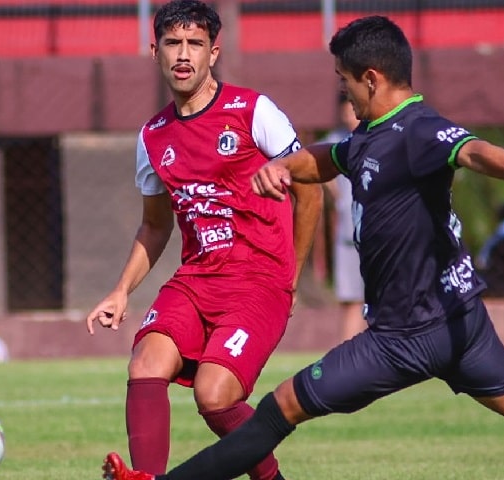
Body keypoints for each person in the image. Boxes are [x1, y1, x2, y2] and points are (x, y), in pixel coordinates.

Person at [100, 15, 504, 480]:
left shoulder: (418, 131)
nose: (343, 93)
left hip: (402, 338)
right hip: (463, 325)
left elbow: (472, 150)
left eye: (344, 82)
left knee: (276, 410)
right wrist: (284, 166)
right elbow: (328, 158)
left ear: (371, 78)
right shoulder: (369, 135)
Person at [85, 1, 322, 480]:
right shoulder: (153, 137)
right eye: (172, 43)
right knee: (145, 363)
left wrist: (291, 275)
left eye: (195, 44)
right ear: (155, 51)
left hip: (259, 281)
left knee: (214, 395)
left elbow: (311, 190)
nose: (183, 54)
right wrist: (121, 290)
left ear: (213, 52)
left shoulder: (253, 111)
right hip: (196, 280)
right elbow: (155, 226)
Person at [321, 93, 366, 341]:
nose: (349, 115)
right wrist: (336, 195)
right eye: (345, 110)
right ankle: (348, 350)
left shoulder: (378, 138)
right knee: (352, 299)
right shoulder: (336, 141)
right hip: (348, 234)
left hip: (377, 234)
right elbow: (311, 162)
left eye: (353, 109)